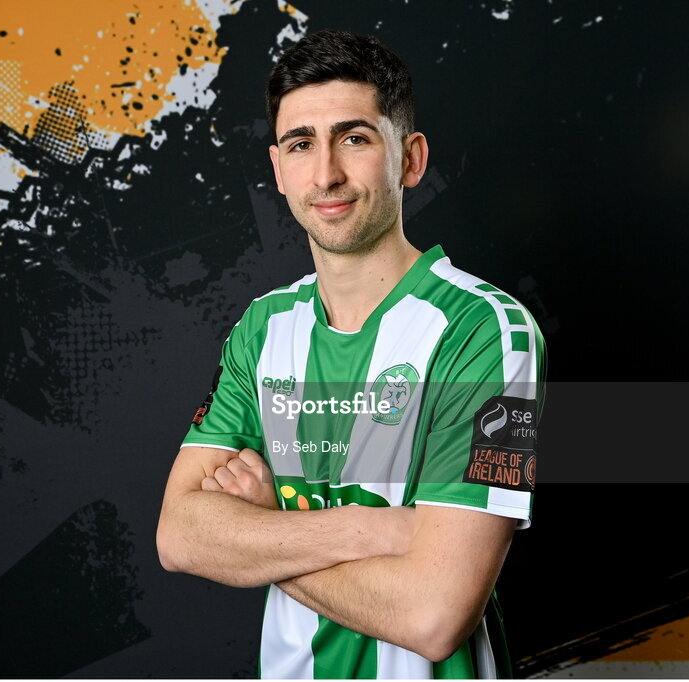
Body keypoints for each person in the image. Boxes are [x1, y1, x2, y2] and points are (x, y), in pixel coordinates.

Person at [157, 29, 546, 679]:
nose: (326, 173)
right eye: (300, 144)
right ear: (278, 168)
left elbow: (433, 616)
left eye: (355, 138)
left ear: (409, 160)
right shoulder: (263, 328)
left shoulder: (486, 333)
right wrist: (373, 530)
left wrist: (263, 530)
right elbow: (179, 535)